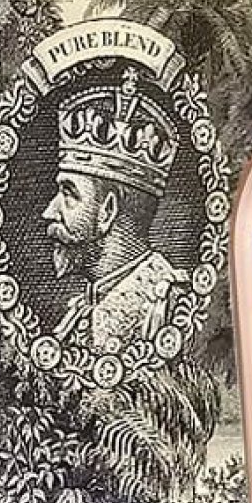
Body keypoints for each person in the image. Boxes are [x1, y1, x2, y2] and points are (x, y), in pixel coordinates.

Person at [42, 67, 188, 352]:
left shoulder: (170, 307)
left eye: (68, 194)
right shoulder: (79, 311)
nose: (49, 212)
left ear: (107, 211)